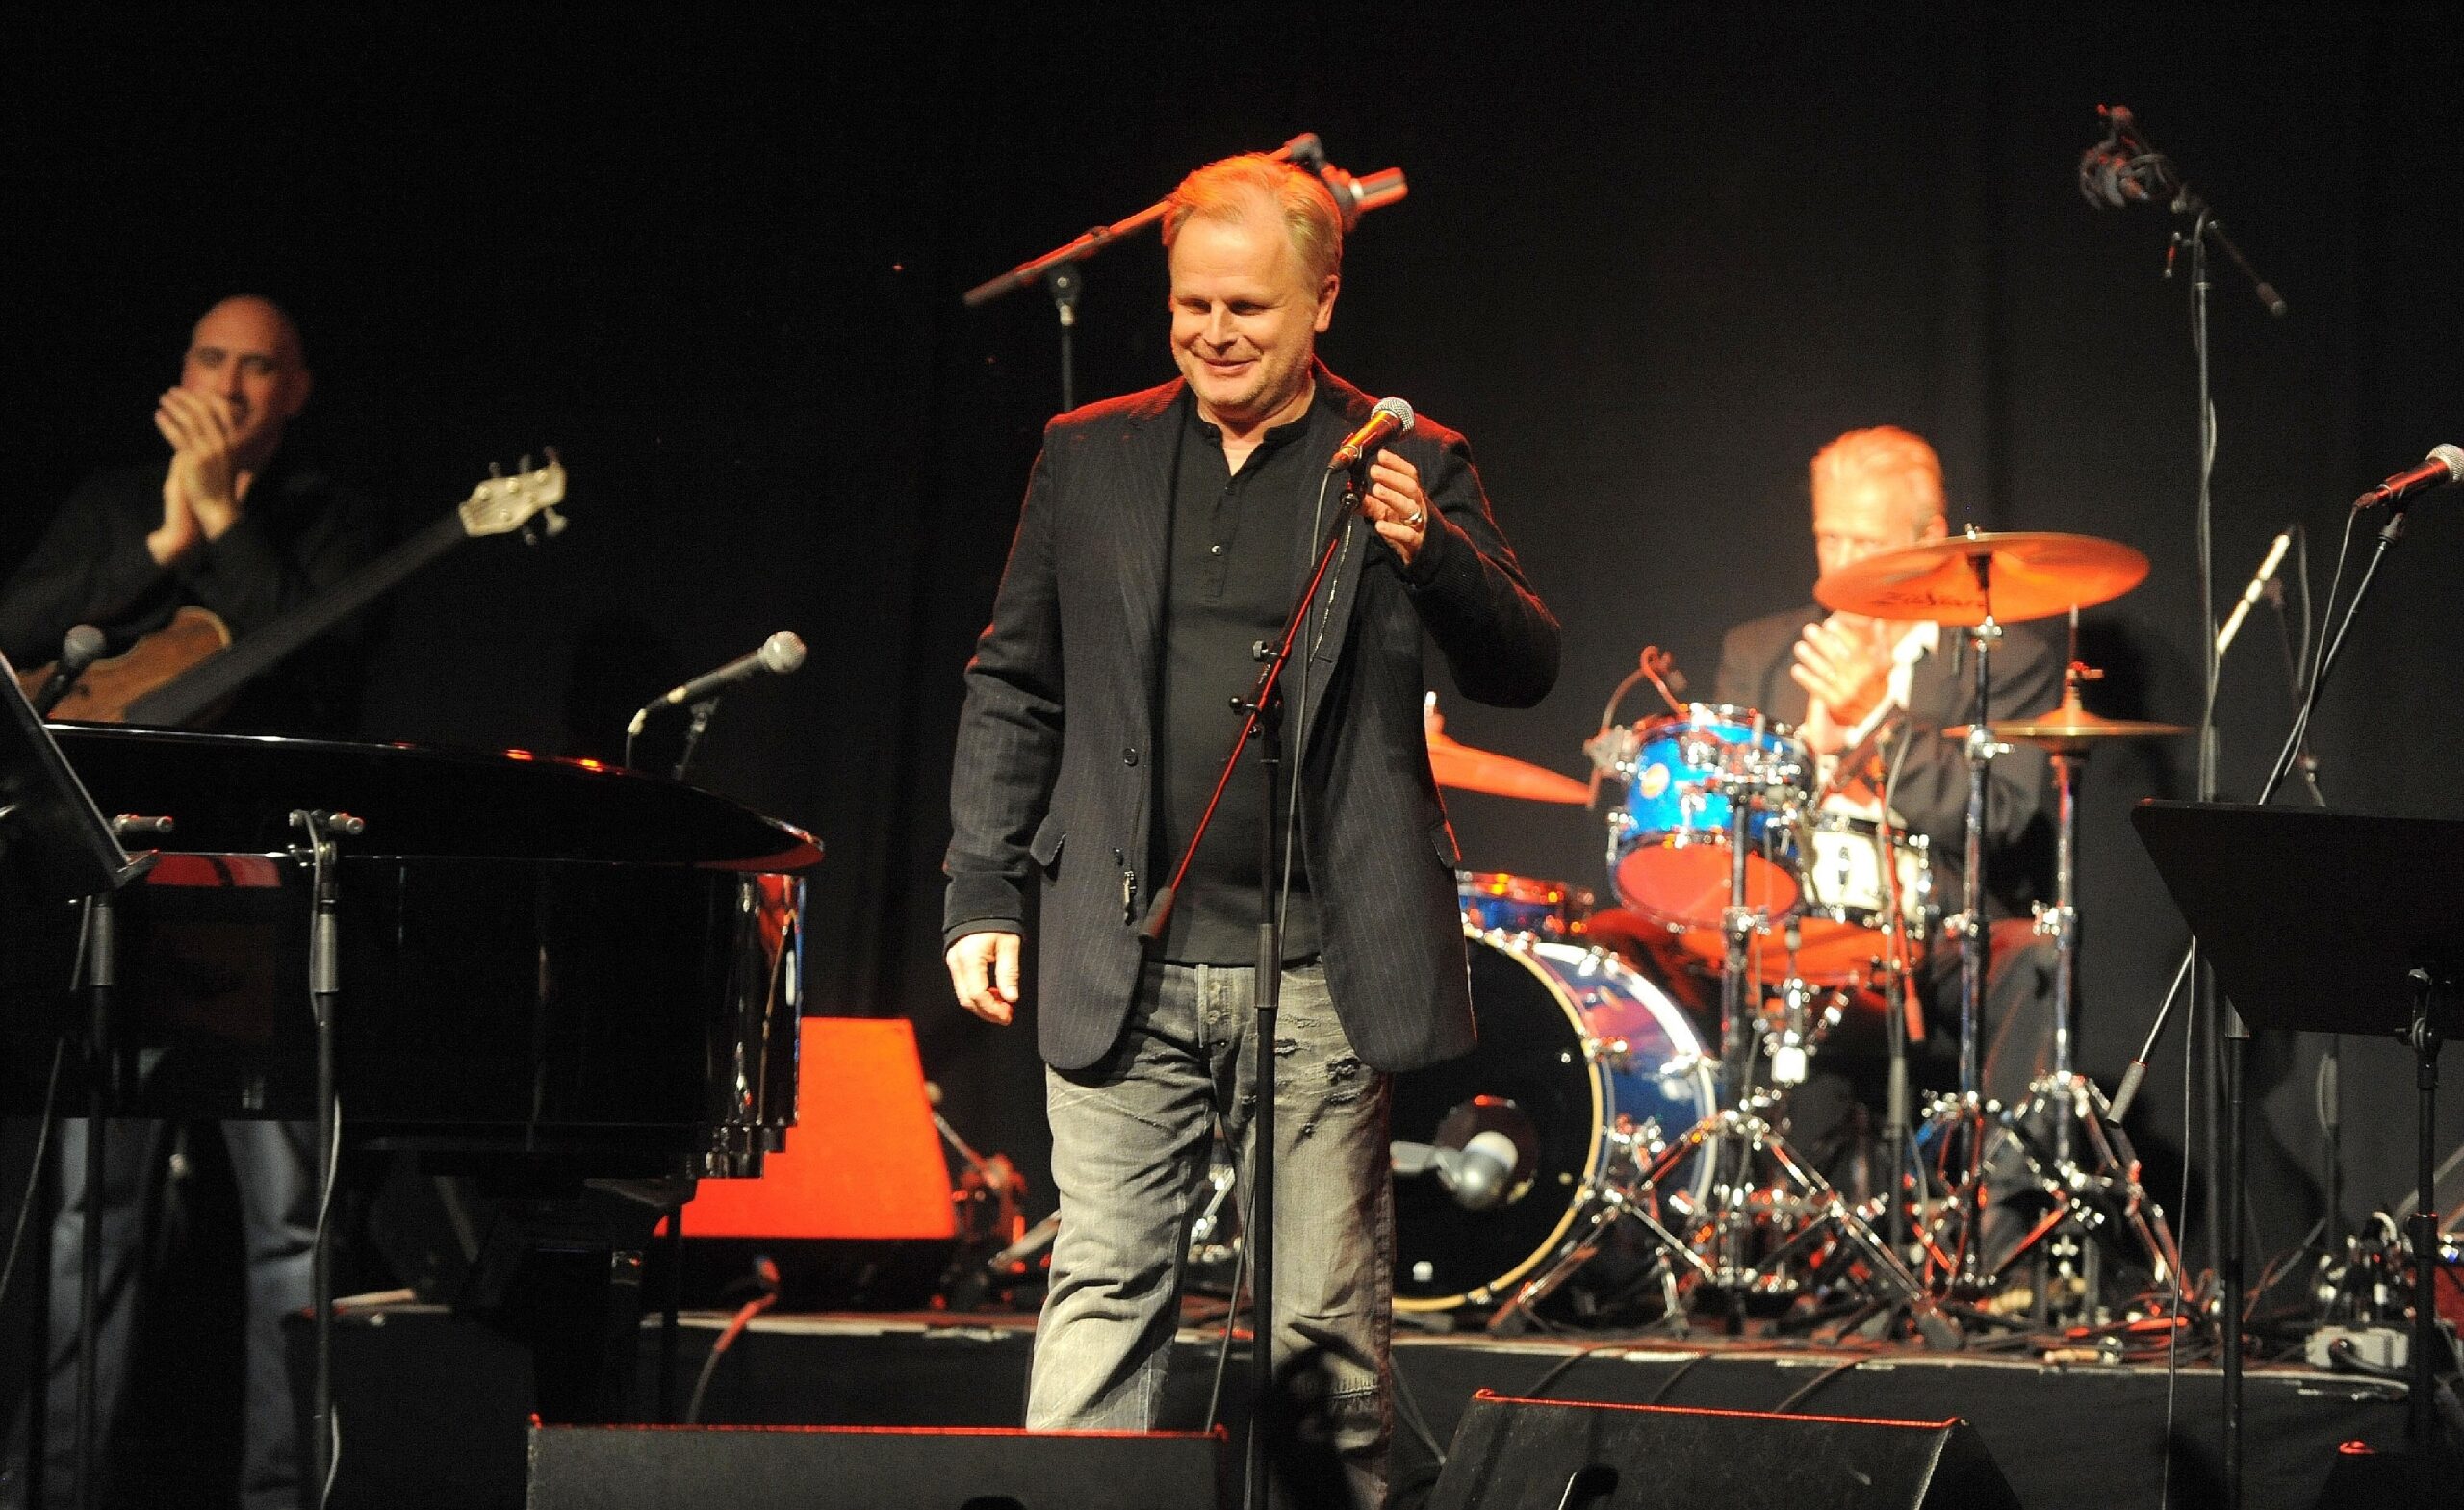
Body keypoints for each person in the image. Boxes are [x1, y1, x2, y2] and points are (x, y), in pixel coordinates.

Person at [942, 154, 1557, 1508]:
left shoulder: (1412, 459)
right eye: (1190, 307)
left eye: (1250, 310)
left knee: (1322, 1333)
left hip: (1320, 968)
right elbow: (1014, 679)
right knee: (1103, 1288)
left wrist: (1433, 555)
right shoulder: (1086, 455)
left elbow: (1522, 665)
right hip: (1121, 954)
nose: (1215, 333)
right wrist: (981, 890)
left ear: (1324, 299)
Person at [1, 294, 387, 1510]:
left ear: (298, 389)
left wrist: (225, 522)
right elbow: (13, 636)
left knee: (290, 1229)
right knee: (88, 1222)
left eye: (259, 367)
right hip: (111, 903)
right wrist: (165, 542)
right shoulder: (117, 500)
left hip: (263, 906)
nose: (230, 385)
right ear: (179, 370)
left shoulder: (333, 521)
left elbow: (315, 679)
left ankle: (283, 1498)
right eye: (211, 359)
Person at [1709, 425, 2060, 1171]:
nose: (1839, 568)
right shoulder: (1761, 654)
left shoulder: (2005, 663)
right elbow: (1726, 832)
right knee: (1646, 942)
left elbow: (2001, 816)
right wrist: (1803, 759)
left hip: (1941, 937)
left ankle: (2000, 1235)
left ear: (1930, 538)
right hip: (1801, 935)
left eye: (1862, 545)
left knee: (2041, 957)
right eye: (1827, 539)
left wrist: (1877, 721)